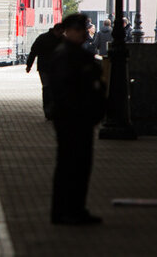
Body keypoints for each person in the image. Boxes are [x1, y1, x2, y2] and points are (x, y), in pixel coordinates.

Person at [48, 13, 106, 226]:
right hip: (72, 121)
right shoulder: (65, 56)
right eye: (78, 29)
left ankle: (74, 209)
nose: (83, 33)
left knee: (79, 166)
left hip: (81, 120)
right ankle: (66, 211)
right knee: (71, 166)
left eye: (84, 29)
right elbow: (66, 91)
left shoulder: (77, 54)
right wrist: (82, 112)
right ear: (68, 31)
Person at [26, 23, 63, 120]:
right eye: (61, 32)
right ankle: (48, 111)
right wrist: (29, 65)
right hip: (45, 69)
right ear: (56, 30)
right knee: (47, 88)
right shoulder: (44, 38)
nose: (62, 34)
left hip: (54, 69)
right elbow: (33, 51)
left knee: (52, 89)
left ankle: (51, 110)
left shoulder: (61, 39)